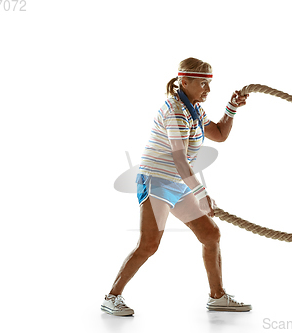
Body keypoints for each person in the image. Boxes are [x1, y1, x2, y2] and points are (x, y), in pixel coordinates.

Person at [101, 57, 252, 316]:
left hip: (177, 181)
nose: (208, 90)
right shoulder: (175, 111)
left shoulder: (194, 109)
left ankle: (217, 296)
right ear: (185, 81)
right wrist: (202, 193)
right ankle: (111, 298)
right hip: (156, 181)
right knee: (149, 245)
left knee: (211, 235)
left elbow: (219, 134)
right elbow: (179, 159)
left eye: (209, 84)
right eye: (203, 84)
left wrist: (231, 109)